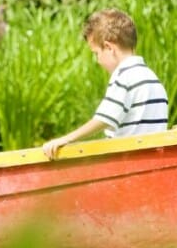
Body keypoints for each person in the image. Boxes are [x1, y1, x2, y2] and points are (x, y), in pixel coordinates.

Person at [41, 8, 169, 160]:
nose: (97, 60)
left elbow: (104, 119)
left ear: (109, 48)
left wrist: (66, 139)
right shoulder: (151, 77)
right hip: (152, 159)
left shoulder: (124, 76)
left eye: (96, 53)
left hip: (128, 161)